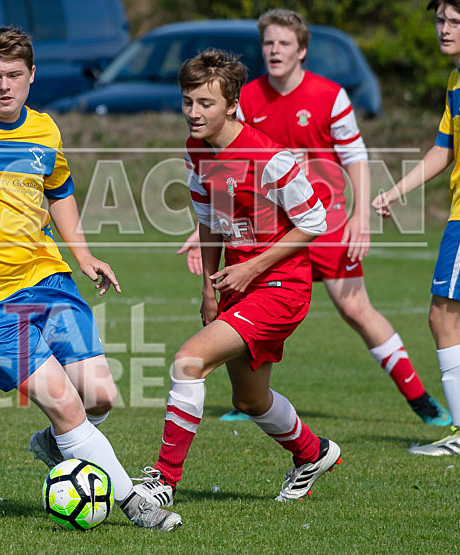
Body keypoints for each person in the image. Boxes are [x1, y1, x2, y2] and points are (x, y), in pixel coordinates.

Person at [0, 26, 182, 529]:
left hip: (45, 279)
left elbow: (59, 190)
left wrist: (83, 255)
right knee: (66, 407)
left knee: (100, 395)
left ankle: (57, 444)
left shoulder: (45, 130)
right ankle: (136, 504)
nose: (4, 86)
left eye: (14, 75)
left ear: (32, 76)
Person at [178, 8, 450, 427]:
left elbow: (355, 156)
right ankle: (249, 398)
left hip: (322, 222)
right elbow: (225, 170)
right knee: (253, 303)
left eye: (284, 43)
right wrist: (208, 230)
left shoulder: (329, 95)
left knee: (355, 309)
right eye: (268, 42)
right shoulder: (244, 99)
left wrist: (360, 216)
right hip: (264, 229)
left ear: (302, 50)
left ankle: (419, 398)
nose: (274, 50)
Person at [134, 48, 341, 507]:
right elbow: (209, 221)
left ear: (232, 104)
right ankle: (313, 454)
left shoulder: (270, 157)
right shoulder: (195, 150)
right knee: (249, 401)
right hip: (235, 285)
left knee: (189, 361)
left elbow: (315, 220)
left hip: (280, 288)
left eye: (205, 103)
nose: (193, 112)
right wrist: (208, 287)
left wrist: (252, 266)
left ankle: (162, 482)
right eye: (188, 101)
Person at [372, 0, 460, 455]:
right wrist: (397, 190)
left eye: (454, 22)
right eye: (440, 20)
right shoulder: (455, 81)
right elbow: (444, 148)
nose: (444, 29)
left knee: (444, 316)